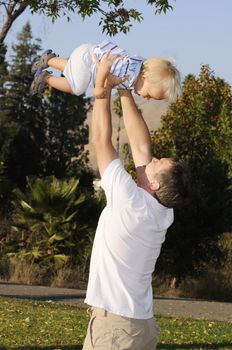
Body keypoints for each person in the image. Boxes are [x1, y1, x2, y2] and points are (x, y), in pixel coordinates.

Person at [82, 51, 191, 350]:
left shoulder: (130, 200)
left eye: (158, 163)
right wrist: (126, 90)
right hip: (140, 327)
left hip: (116, 329)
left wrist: (101, 91)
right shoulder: (161, 211)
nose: (152, 159)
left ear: (153, 183)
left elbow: (102, 141)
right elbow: (142, 145)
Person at [30, 40, 181, 102]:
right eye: (148, 94)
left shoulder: (138, 63)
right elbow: (106, 71)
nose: (145, 98)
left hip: (87, 53)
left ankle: (48, 60)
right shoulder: (127, 73)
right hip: (88, 59)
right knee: (77, 88)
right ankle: (45, 78)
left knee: (75, 71)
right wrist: (101, 87)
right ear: (145, 76)